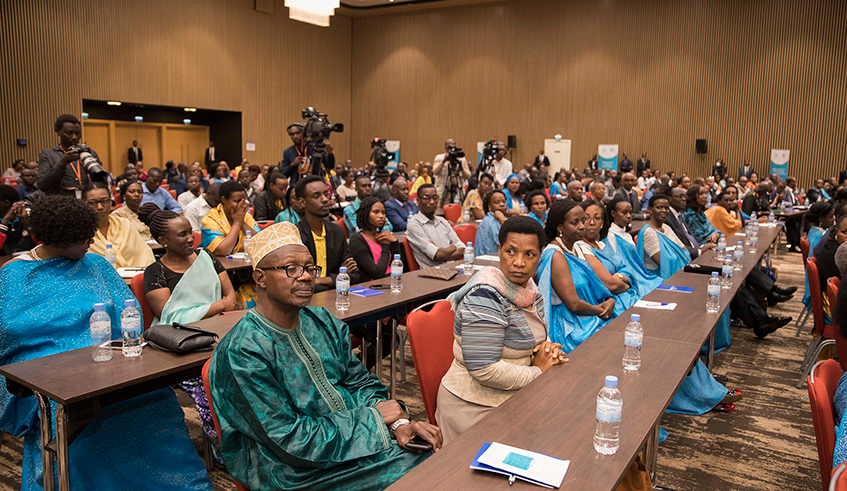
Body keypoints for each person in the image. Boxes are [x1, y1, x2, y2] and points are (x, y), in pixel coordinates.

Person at [0, 195, 214, 491]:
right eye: (83, 240)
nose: (90, 244)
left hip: (110, 363)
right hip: (53, 373)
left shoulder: (97, 264)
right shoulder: (16, 274)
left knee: (151, 398)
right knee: (77, 410)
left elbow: (130, 316)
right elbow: (10, 330)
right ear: (59, 239)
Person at [209, 221, 439, 490]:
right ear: (260, 278)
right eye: (291, 269)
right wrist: (375, 421)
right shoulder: (244, 351)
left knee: (435, 457)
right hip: (292, 470)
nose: (306, 276)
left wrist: (398, 424)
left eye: (309, 268)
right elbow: (289, 440)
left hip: (354, 441)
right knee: (425, 476)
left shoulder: (322, 322)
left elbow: (359, 383)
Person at [437, 216, 566, 442]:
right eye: (511, 252)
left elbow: (528, 338)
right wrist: (538, 372)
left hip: (514, 394)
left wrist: (544, 351)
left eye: (529, 254)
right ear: (499, 250)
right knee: (553, 441)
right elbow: (484, 370)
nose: (519, 262)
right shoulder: (484, 297)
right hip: (475, 405)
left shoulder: (529, 290)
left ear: (540, 255)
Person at [535, 199, 615, 352]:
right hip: (569, 324)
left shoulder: (576, 247)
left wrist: (609, 300)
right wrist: (602, 310)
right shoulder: (555, 255)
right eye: (575, 222)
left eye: (583, 220)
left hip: (587, 313)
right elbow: (573, 304)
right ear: (560, 227)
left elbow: (595, 285)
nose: (582, 226)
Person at [295, 175, 360, 291]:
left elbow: (354, 275)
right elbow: (299, 281)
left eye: (326, 194)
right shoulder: (295, 235)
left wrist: (319, 280)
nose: (325, 199)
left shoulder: (337, 231)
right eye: (316, 196)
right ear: (302, 202)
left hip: (336, 297)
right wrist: (338, 277)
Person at [83, 182, 154, 268]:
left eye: (104, 201)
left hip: (133, 277)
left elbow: (144, 255)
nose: (100, 207)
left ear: (110, 202)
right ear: (84, 205)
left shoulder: (124, 224)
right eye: (92, 202)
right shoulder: (81, 231)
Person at [38, 114, 105, 197]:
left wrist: (91, 173)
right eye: (69, 133)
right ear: (58, 131)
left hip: (86, 202)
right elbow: (42, 185)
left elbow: (103, 184)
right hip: (61, 203)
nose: (74, 137)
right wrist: (63, 162)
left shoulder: (89, 153)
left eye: (78, 133)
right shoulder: (48, 154)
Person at [406, 184, 466, 268]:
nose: (432, 202)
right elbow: (438, 255)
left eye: (435, 198)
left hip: (453, 268)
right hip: (432, 274)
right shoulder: (414, 225)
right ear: (418, 201)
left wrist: (444, 255)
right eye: (427, 198)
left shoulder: (442, 221)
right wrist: (454, 247)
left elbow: (463, 248)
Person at [348, 197, 402, 282]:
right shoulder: (357, 240)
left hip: (393, 280)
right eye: (376, 212)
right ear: (365, 214)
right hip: (373, 286)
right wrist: (385, 246)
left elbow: (398, 266)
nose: (381, 216)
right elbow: (377, 273)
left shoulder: (384, 236)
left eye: (383, 213)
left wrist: (394, 242)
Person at [801, 201, 834, 310]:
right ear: (821, 219)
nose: (833, 220)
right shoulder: (820, 236)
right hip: (818, 289)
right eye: (830, 217)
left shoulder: (813, 230)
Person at [815, 213, 847, 320]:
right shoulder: (834, 253)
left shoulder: (833, 243)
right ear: (836, 231)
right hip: (833, 310)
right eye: (844, 232)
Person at [432, 139, 471, 206]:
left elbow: (468, 176)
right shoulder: (439, 158)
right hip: (442, 192)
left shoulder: (461, 159)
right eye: (447, 144)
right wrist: (444, 161)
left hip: (458, 193)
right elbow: (435, 172)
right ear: (445, 146)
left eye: (452, 144)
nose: (449, 146)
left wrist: (461, 167)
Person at [474, 190, 508, 256]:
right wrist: (502, 220)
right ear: (489, 206)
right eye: (497, 202)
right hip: (489, 260)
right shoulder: (490, 220)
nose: (502, 204)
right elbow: (506, 242)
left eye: (504, 202)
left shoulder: (499, 217)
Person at [0, 186, 26, 255]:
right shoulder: (4, 221)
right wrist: (5, 220)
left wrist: (27, 220)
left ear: (6, 203)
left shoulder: (24, 220)